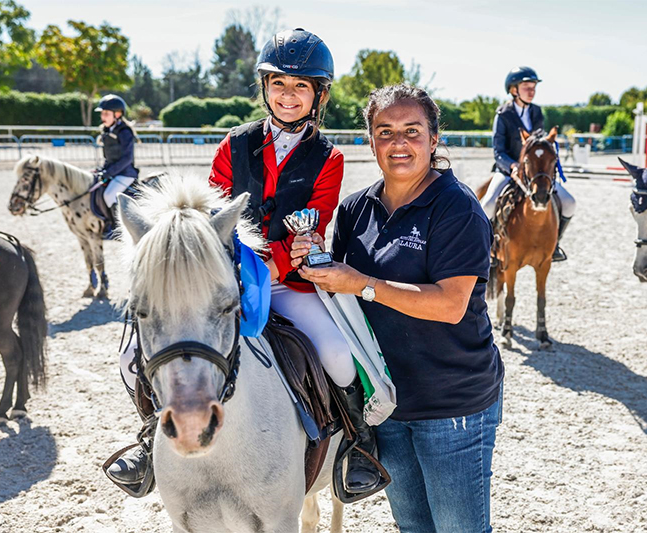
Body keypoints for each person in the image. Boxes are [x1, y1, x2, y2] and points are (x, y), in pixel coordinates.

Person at [106, 28, 382, 499]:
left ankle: (358, 442)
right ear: (265, 88)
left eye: (301, 86)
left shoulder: (329, 158)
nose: (288, 95)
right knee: (132, 357)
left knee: (337, 356)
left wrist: (290, 256)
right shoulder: (233, 145)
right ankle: (151, 435)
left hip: (293, 283)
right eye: (279, 84)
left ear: (318, 95)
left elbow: (314, 224)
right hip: (228, 275)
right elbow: (212, 214)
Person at [292, 84, 505, 533]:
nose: (399, 143)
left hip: (452, 404)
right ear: (370, 140)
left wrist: (364, 283)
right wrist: (312, 260)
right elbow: (343, 293)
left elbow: (450, 305)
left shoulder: (457, 208)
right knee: (412, 527)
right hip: (386, 401)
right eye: (385, 131)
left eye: (412, 130)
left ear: (434, 138)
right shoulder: (355, 209)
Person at [481, 66, 576, 261]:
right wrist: (513, 166)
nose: (531, 91)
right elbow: (498, 151)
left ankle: (554, 244)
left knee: (569, 203)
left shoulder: (537, 112)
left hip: (534, 173)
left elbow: (538, 144)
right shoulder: (503, 114)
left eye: (533, 87)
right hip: (507, 171)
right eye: (526, 87)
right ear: (514, 90)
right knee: (487, 205)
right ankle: (485, 248)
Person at [95, 94, 138, 238]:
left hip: (126, 173)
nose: (103, 117)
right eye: (102, 113)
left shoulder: (125, 132)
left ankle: (116, 230)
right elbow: (108, 157)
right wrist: (102, 170)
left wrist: (110, 172)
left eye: (106, 113)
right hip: (113, 172)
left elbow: (127, 158)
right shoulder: (106, 131)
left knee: (108, 195)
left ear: (117, 114)